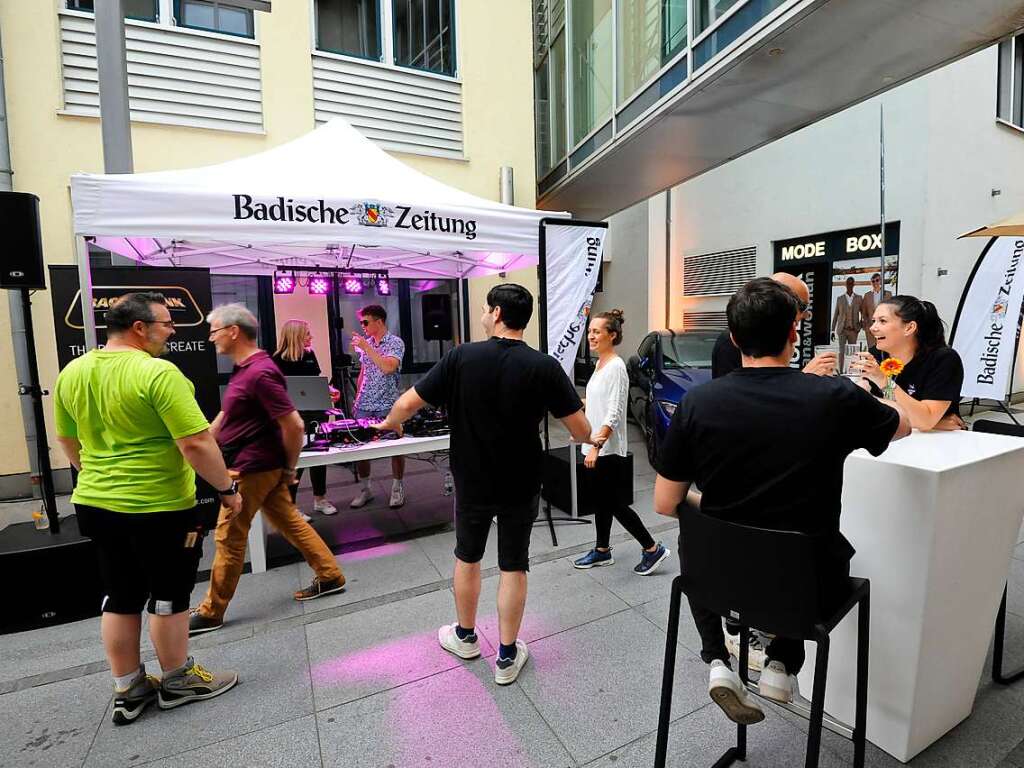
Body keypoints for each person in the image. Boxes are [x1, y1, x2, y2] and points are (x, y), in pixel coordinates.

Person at [654, 278, 909, 725]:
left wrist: (713, 505)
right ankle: (780, 662)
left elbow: (664, 501)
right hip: (804, 590)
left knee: (697, 537)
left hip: (718, 580)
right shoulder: (833, 397)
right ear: (795, 333)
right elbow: (901, 428)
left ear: (734, 339)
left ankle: (717, 659)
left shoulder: (697, 403)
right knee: (817, 549)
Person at [374, 284, 594, 685]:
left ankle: (466, 637)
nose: (482, 314)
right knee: (514, 563)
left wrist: (388, 423)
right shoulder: (544, 366)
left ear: (495, 313)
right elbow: (581, 430)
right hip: (522, 480)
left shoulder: (461, 357)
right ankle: (508, 657)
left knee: (468, 557)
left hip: (472, 480)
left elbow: (407, 404)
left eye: (483, 309)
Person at [53, 292, 239, 725]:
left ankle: (129, 687)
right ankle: (177, 681)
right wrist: (227, 489)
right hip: (160, 506)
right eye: (167, 323)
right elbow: (195, 443)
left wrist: (98, 473)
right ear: (139, 327)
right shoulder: (158, 373)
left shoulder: (72, 372)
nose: (173, 331)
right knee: (170, 594)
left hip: (97, 503)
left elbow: (67, 440)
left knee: (120, 595)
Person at [189, 304, 346, 636]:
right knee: (289, 521)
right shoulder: (246, 369)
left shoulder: (260, 372)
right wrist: (207, 440)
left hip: (253, 468)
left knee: (229, 537)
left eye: (215, 330)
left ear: (233, 331)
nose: (211, 336)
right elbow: (229, 416)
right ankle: (330, 575)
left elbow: (293, 424)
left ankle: (211, 611)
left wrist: (289, 468)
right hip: (257, 465)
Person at [571, 309, 670, 574]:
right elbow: (597, 402)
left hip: (607, 449)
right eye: (590, 331)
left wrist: (596, 446)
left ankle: (652, 548)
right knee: (602, 502)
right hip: (594, 443)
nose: (591, 336)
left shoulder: (615, 367)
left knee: (613, 503)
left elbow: (614, 412)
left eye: (596, 331)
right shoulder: (600, 364)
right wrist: (576, 412)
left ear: (612, 335)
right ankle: (602, 550)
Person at [853, 295, 965, 431]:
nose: (872, 328)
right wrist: (935, 423)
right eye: (873, 321)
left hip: (936, 444)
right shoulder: (875, 355)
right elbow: (858, 409)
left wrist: (884, 381)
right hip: (891, 439)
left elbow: (925, 420)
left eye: (882, 321)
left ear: (909, 328)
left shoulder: (943, 359)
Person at [272, 319, 338, 518]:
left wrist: (330, 390)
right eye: (307, 333)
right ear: (296, 335)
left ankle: (320, 499)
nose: (311, 337)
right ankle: (291, 507)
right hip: (293, 417)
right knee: (296, 460)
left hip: (317, 411)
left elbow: (317, 382)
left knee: (319, 455)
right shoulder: (278, 360)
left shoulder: (310, 355)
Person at [711, 272, 837, 378]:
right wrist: (804, 378)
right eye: (802, 306)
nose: (804, 314)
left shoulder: (781, 333)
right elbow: (737, 397)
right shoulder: (736, 337)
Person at [350, 304, 407, 509]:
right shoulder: (368, 344)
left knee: (395, 447)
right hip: (364, 404)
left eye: (366, 322)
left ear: (379, 321)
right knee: (361, 448)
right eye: (361, 322)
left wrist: (367, 348)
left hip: (387, 404)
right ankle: (366, 489)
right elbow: (364, 372)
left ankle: (397, 486)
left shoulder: (394, 343)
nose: (363, 326)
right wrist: (357, 399)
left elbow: (388, 368)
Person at [860, 273, 892, 347]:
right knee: (872, 350)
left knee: (883, 349)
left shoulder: (888, 294)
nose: (875, 283)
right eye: (873, 281)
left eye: (877, 280)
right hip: (870, 328)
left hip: (884, 327)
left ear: (880, 281)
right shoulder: (867, 295)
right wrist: (866, 325)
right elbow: (863, 311)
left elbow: (891, 311)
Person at [831, 276, 863, 345]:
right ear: (845, 284)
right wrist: (832, 330)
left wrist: (860, 325)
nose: (850, 285)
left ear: (853, 284)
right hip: (842, 330)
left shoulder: (859, 298)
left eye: (851, 283)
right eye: (848, 283)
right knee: (841, 353)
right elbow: (836, 315)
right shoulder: (840, 299)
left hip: (854, 331)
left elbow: (863, 313)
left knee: (852, 353)